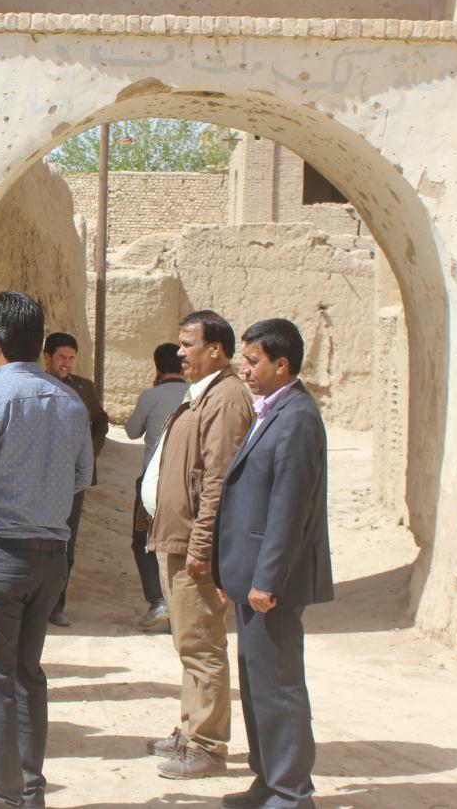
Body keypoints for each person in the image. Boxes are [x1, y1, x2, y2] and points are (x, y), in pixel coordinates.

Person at [0, 292, 93, 809]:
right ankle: (30, 791)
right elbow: (82, 476)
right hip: (50, 557)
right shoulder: (69, 400)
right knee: (28, 675)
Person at [214, 319, 333, 809]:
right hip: (251, 578)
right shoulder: (274, 411)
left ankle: (291, 791)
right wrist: (231, 573)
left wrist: (266, 580)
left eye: (252, 361)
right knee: (257, 686)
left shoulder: (298, 417)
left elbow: (289, 510)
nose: (244, 369)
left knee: (279, 687)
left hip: (273, 584)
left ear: (281, 364)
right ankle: (268, 780)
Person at [142, 310, 253, 779]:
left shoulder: (225, 399)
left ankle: (207, 745)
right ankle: (190, 731)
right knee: (189, 642)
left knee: (203, 647)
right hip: (176, 538)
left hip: (193, 545)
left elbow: (217, 481)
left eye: (188, 344)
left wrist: (202, 546)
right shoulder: (204, 392)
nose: (180, 352)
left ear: (216, 349)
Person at [41, 332, 110, 627]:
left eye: (71, 358)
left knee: (65, 543)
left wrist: (88, 454)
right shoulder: (37, 385)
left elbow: (101, 422)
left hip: (72, 481)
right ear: (47, 356)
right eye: (62, 357)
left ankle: (56, 606)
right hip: (39, 478)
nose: (67, 363)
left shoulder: (84, 388)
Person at [123, 343, 188, 632]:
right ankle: (181, 606)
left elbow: (131, 431)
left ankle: (158, 600)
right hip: (186, 483)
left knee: (143, 541)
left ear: (157, 367)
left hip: (153, 482)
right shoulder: (195, 394)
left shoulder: (151, 396)